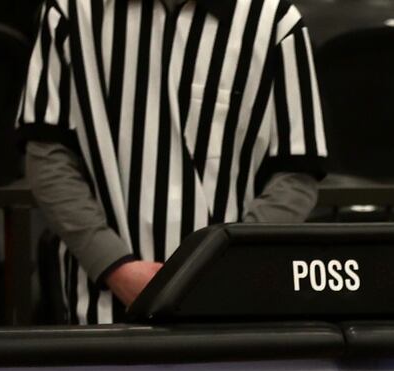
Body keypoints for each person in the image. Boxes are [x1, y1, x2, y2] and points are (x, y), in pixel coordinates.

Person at [19, 0, 328, 325]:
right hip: (101, 308)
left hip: (233, 310)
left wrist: (228, 267)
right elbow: (48, 158)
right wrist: (114, 266)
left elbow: (296, 173)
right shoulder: (70, 11)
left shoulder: (274, 19)